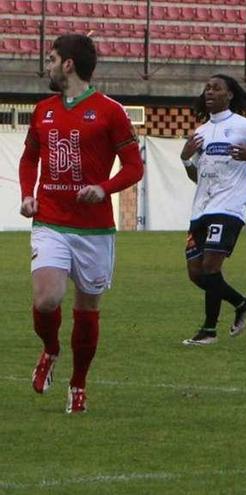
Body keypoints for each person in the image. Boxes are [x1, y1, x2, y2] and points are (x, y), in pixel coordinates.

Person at [18, 34, 144, 413]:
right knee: (47, 299)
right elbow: (29, 159)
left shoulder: (110, 111)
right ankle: (51, 350)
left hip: (94, 229)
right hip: (51, 219)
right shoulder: (43, 110)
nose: (48, 65)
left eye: (53, 58)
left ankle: (78, 383)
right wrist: (28, 194)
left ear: (69, 64)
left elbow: (135, 167)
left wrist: (104, 189)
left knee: (87, 309)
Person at [179, 74, 246, 346]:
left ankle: (209, 331)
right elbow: (196, 177)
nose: (209, 92)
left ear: (230, 94)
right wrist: (186, 158)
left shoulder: (245, 126)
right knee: (196, 273)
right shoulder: (200, 132)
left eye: (216, 88)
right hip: (201, 208)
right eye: (207, 88)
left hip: (229, 206)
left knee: (211, 267)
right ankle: (242, 303)